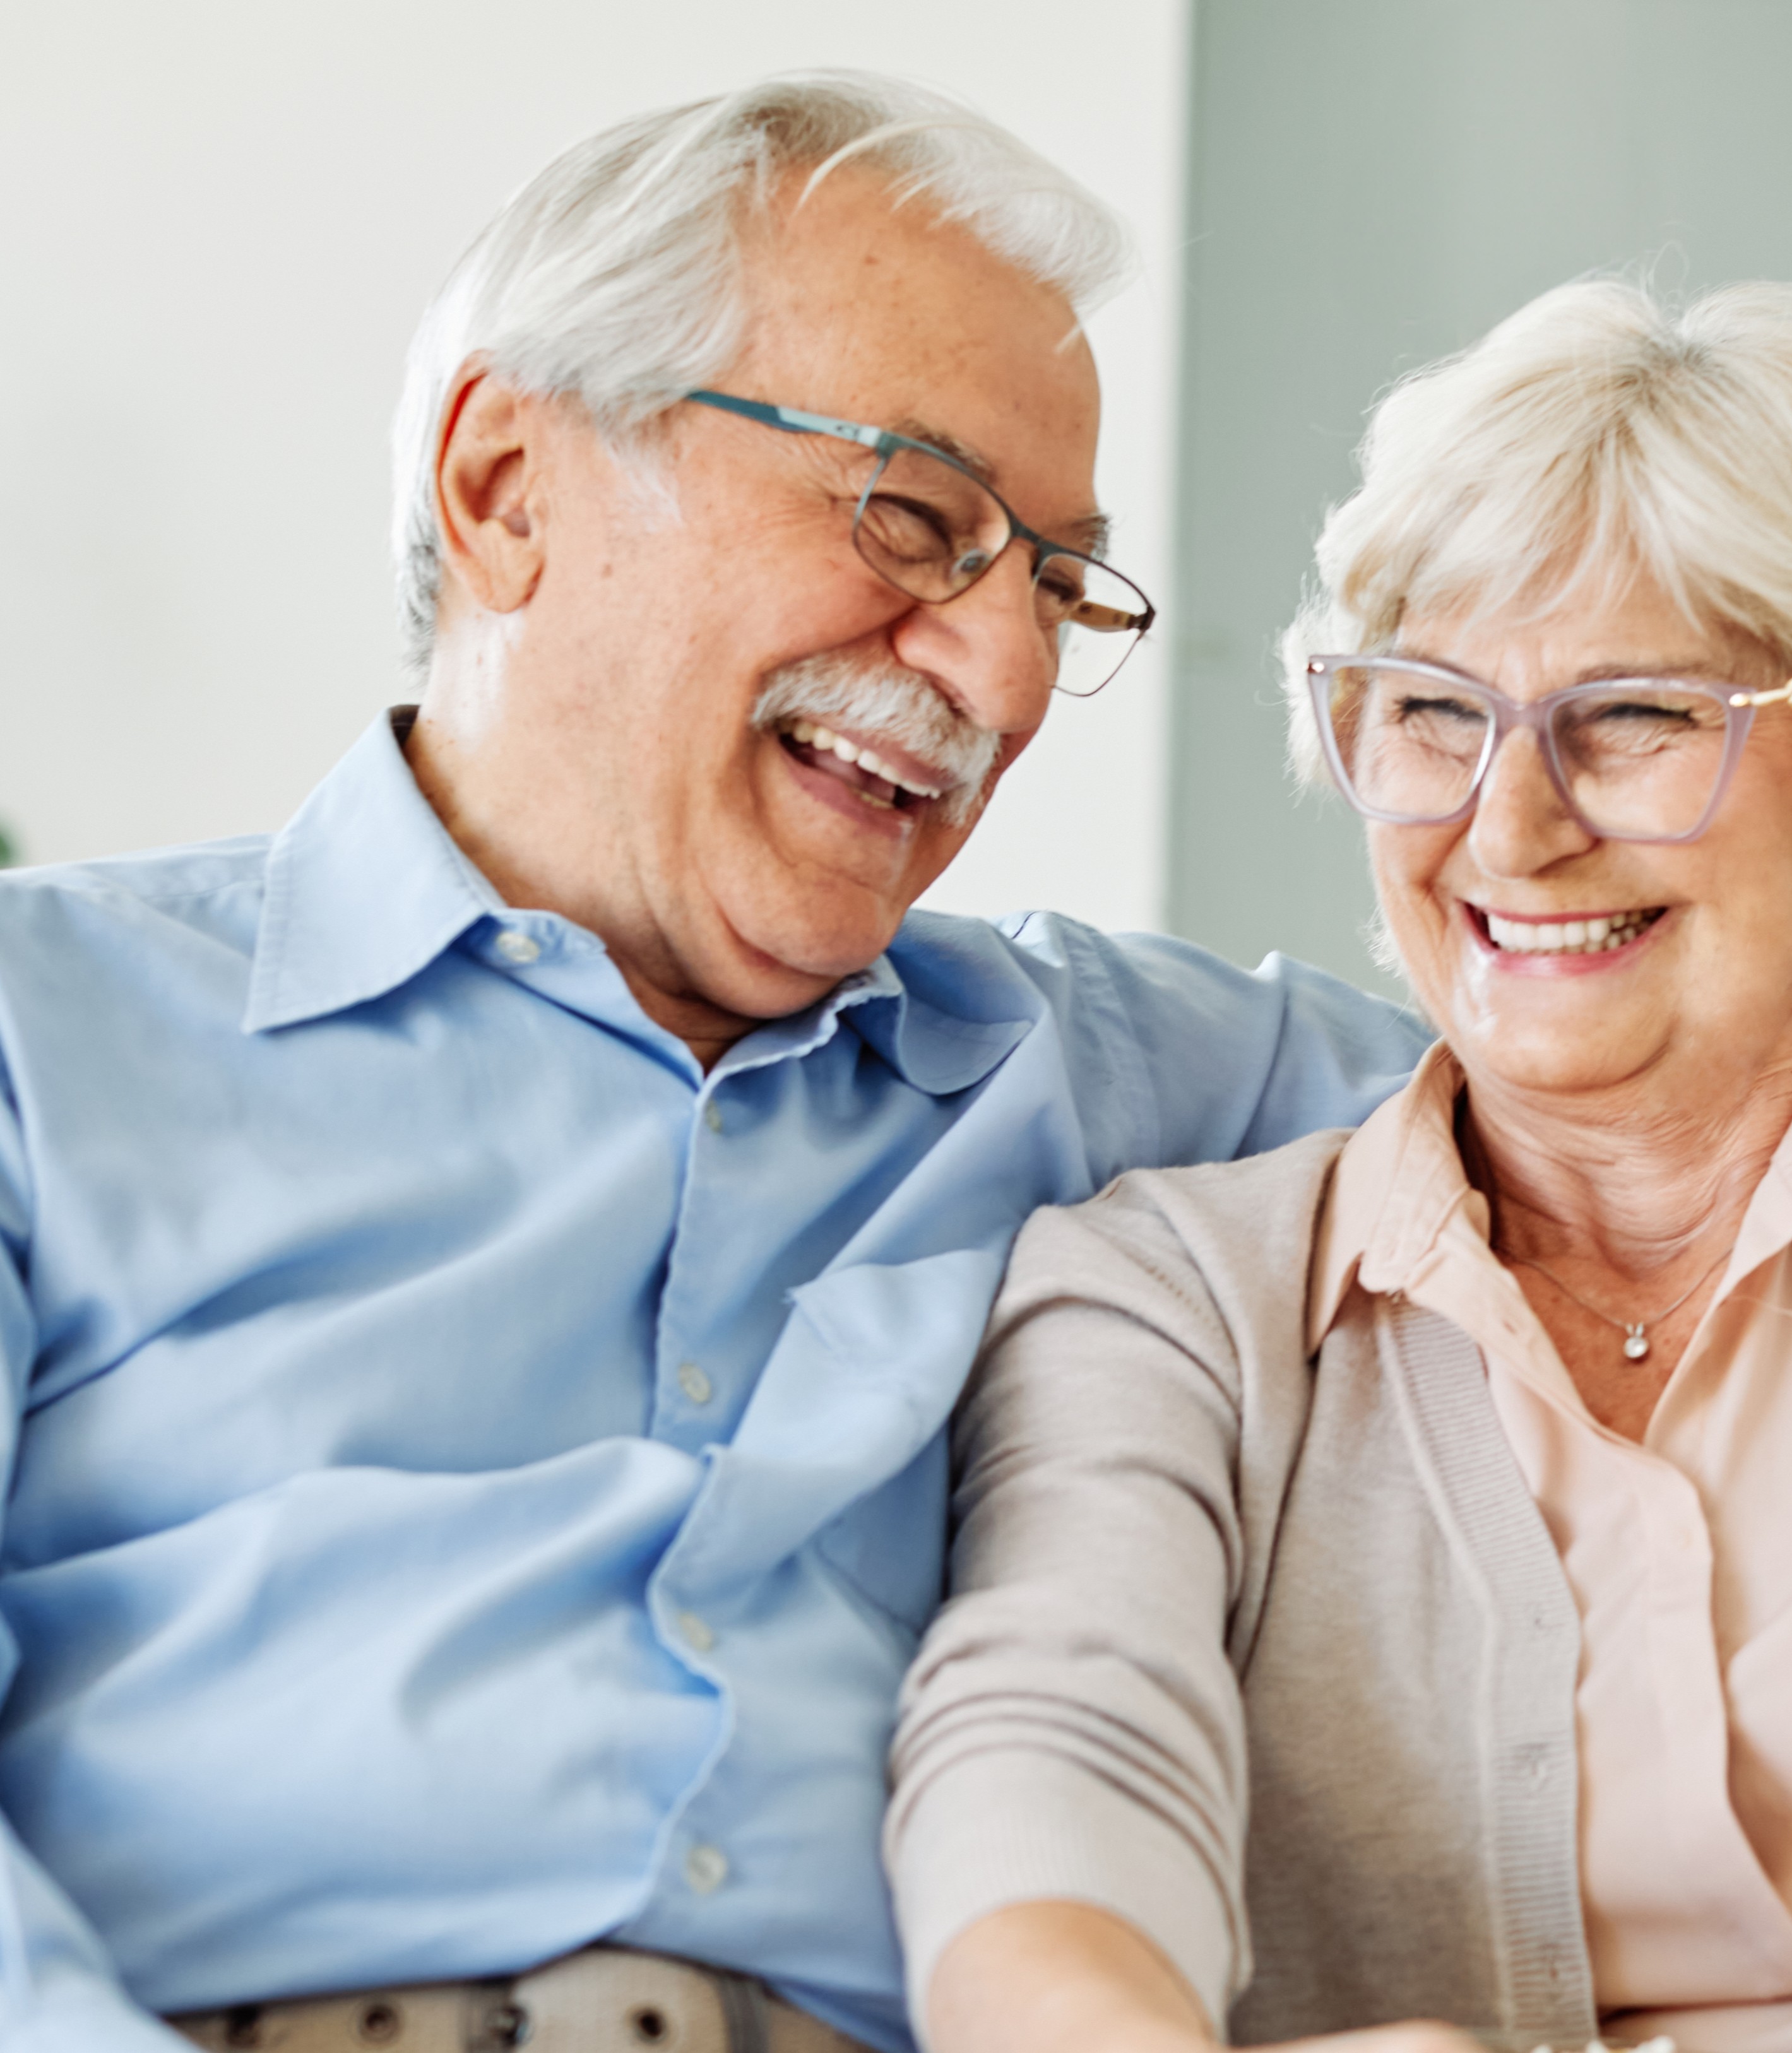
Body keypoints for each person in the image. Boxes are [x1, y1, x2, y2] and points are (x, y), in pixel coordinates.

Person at [0, 73, 1432, 2053]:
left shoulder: (1113, 1076)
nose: (1005, 680)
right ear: (508, 486)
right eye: (914, 520)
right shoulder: (38, 1031)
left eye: (1055, 582)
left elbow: (1723, 1058)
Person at [887, 280, 1792, 2053]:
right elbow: (1048, 1758)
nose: (1509, 827)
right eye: (1435, 714)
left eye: (1640, 718)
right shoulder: (1181, 1307)